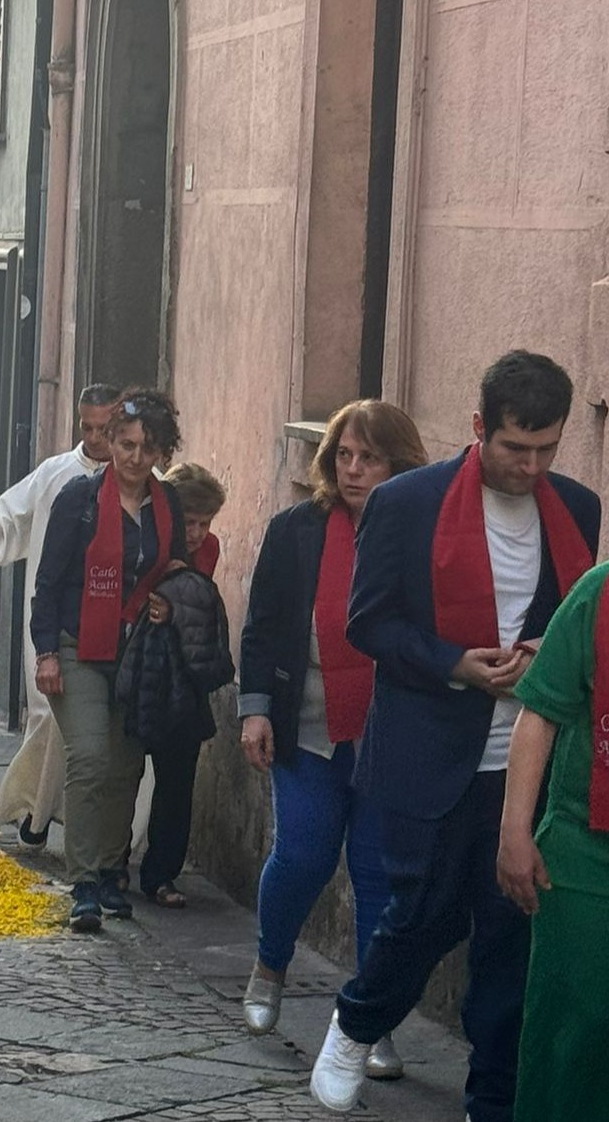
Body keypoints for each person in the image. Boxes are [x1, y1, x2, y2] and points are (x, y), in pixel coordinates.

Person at [311, 352, 601, 1120]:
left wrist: (541, 652)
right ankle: (357, 1022)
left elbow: (574, 626)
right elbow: (367, 623)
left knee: (511, 934)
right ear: (480, 427)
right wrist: (455, 665)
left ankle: (493, 1100)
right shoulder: (406, 502)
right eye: (515, 448)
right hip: (428, 752)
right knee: (424, 915)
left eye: (546, 449)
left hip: (526, 762)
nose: (530, 467)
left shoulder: (578, 507)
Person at [236, 401, 426, 1077]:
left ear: (399, 464)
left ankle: (370, 1023)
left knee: (378, 875)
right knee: (303, 856)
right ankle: (270, 965)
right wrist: (255, 711)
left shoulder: (419, 532)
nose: (353, 469)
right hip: (309, 728)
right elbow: (261, 627)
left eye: (369, 458)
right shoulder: (296, 530)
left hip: (390, 733)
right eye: (344, 455)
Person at [30, 389, 187, 931]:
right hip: (77, 647)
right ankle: (83, 884)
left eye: (147, 448)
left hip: (137, 653)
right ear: (112, 443)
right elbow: (48, 582)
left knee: (125, 768)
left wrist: (170, 604)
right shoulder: (79, 499)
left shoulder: (169, 505)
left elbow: (177, 571)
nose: (135, 457)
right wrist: (46, 653)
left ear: (162, 452)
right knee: (91, 759)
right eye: (126, 444)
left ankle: (109, 872)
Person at [0, 384, 122, 846]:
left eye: (105, 428)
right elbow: (9, 522)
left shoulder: (141, 478)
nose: (95, 438)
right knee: (50, 718)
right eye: (87, 427)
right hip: (55, 620)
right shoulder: (54, 473)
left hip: (116, 622)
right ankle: (38, 811)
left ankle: (101, 836)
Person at [498, 559, 609, 1122]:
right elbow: (539, 714)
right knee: (572, 1030)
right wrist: (514, 833)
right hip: (584, 855)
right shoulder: (599, 594)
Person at [130, 460, 230, 910]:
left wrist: (176, 609)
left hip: (184, 677)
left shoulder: (208, 550)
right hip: (142, 670)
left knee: (177, 782)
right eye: (189, 522)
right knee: (125, 771)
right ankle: (113, 861)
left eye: (204, 523)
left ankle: (162, 873)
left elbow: (203, 607)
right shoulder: (146, 544)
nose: (196, 533)